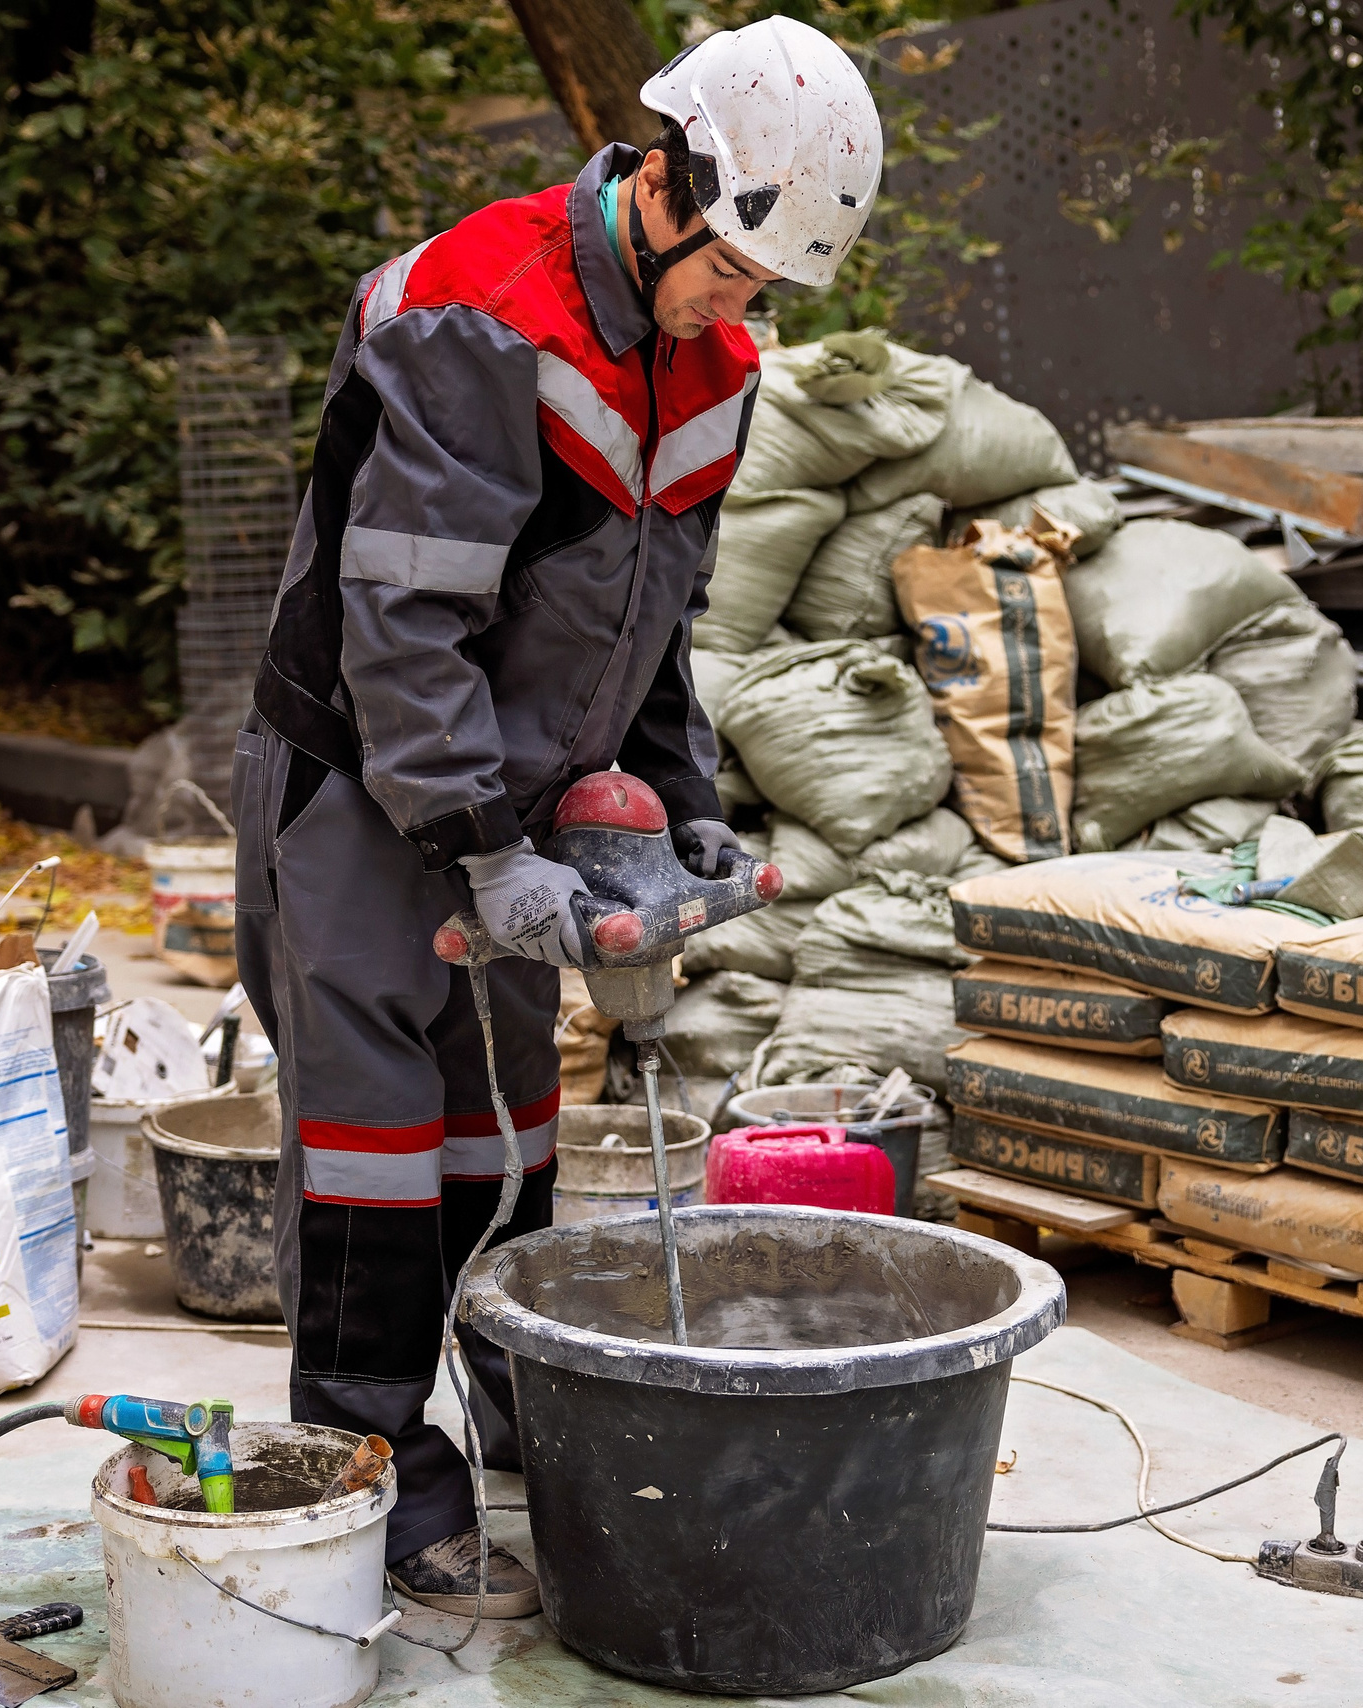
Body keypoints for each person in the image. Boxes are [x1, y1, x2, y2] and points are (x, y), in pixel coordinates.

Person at [233, 19, 883, 1617]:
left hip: (505, 809)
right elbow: (404, 622)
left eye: (770, 287)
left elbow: (654, 622)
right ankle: (377, 1487)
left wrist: (683, 809)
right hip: (365, 792)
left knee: (508, 1130)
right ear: (665, 178)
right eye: (732, 266)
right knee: (375, 1157)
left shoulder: (712, 366)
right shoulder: (476, 309)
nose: (748, 308)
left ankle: (530, 1406)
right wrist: (479, 844)